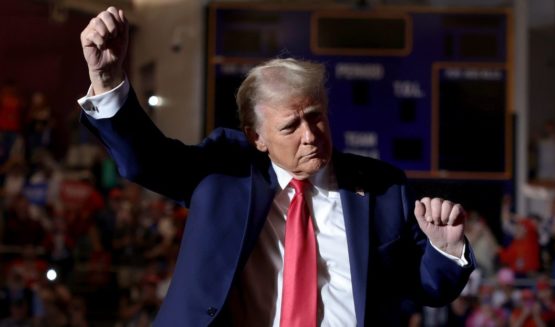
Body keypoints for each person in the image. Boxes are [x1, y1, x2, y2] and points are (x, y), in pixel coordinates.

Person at [77, 7, 476, 326]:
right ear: (257, 137)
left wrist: (445, 249)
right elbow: (146, 160)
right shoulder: (224, 171)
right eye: (290, 126)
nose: (310, 135)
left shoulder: (384, 188)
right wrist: (108, 77)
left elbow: (429, 287)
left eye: (316, 116)